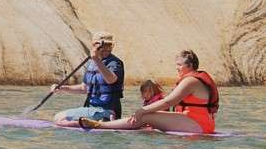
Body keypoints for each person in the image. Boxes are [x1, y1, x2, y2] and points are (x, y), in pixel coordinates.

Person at [80, 51, 220, 134]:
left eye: (179, 65)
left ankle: (101, 126)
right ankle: (112, 124)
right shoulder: (191, 79)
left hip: (198, 124)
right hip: (194, 120)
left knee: (145, 116)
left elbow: (169, 101)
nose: (176, 67)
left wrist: (142, 110)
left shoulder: (191, 81)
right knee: (145, 115)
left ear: (189, 66)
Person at [48, 32, 123, 123]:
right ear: (93, 45)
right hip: (91, 109)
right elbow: (84, 88)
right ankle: (88, 122)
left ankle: (103, 119)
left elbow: (111, 80)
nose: (105, 48)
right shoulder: (90, 63)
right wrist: (62, 88)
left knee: (59, 118)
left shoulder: (115, 63)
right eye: (99, 44)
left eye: (108, 45)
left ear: (112, 46)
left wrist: (96, 59)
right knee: (60, 118)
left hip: (107, 110)